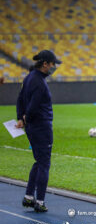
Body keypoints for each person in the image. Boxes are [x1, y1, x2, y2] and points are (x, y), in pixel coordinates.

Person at [16, 50, 62, 212]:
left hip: (32, 126)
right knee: (44, 164)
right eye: (52, 64)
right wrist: (27, 116)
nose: (54, 67)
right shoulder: (39, 82)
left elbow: (20, 99)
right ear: (45, 64)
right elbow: (33, 105)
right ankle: (40, 201)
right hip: (41, 126)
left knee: (39, 161)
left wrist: (21, 118)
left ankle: (29, 197)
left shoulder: (29, 78)